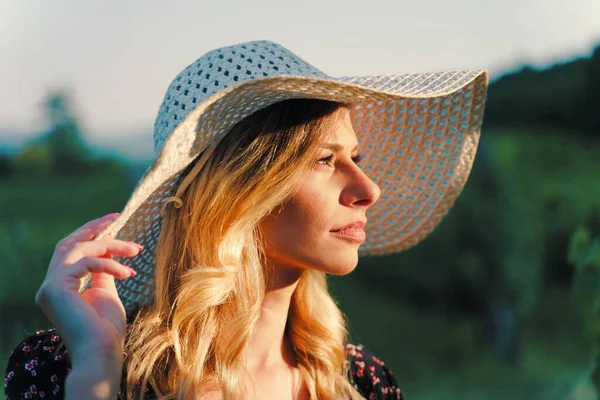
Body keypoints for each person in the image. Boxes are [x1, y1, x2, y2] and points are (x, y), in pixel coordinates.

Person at [4, 40, 488, 399]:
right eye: (324, 160)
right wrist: (95, 368)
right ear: (239, 192)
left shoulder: (362, 383)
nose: (369, 189)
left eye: (357, 157)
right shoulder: (64, 370)